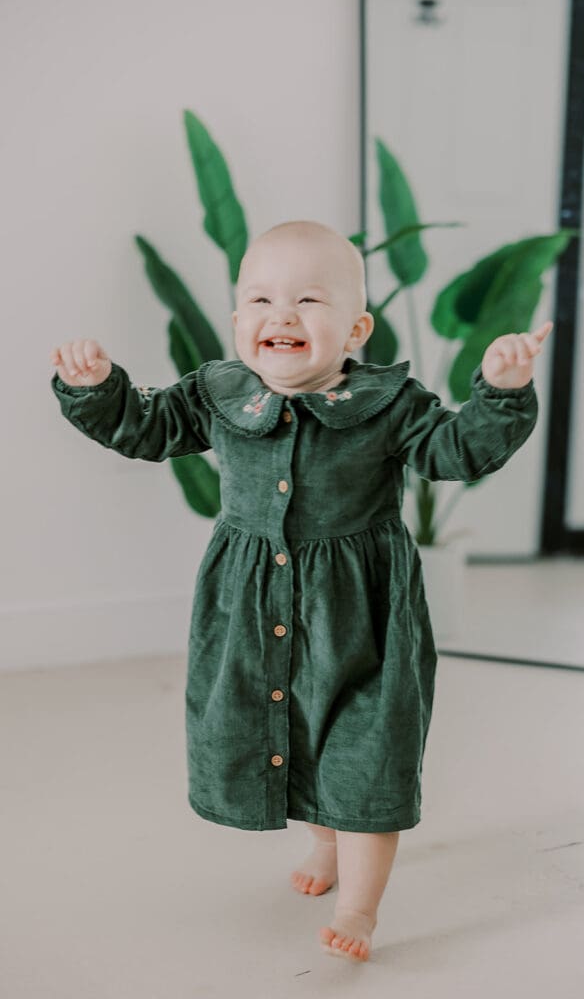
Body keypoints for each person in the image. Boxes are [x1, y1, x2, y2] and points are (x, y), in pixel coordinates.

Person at [50, 219, 551, 963]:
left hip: (362, 616)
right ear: (237, 321)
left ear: (354, 328)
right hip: (251, 610)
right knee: (293, 736)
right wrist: (96, 390)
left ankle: (360, 905)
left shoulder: (389, 403)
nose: (281, 315)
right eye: (260, 299)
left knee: (364, 749)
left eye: (308, 300)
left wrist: (501, 394)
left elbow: (454, 450)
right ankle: (324, 845)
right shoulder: (216, 393)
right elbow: (145, 428)